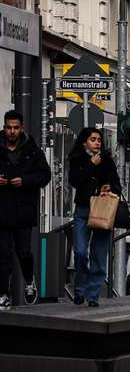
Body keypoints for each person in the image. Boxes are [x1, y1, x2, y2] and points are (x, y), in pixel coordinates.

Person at [0, 110, 50, 310]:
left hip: (23, 210)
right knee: (3, 254)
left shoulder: (32, 149)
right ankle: (3, 294)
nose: (12, 131)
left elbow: (45, 175)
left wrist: (25, 181)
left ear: (22, 128)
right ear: (4, 127)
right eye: (8, 128)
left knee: (24, 252)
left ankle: (29, 281)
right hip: (2, 210)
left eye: (15, 128)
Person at [69, 127, 121, 307]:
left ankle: (93, 295)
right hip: (83, 210)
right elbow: (74, 181)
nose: (97, 143)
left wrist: (109, 189)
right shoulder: (77, 159)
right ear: (85, 142)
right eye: (93, 139)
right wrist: (91, 164)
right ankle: (79, 289)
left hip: (103, 210)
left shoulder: (107, 161)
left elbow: (117, 185)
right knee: (80, 251)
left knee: (99, 255)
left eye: (99, 140)